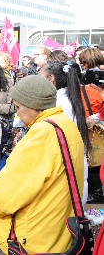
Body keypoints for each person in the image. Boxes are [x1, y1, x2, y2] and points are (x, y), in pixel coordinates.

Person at [0, 75, 84, 253]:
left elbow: (6, 195)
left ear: (32, 105)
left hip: (33, 237)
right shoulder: (65, 124)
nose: (16, 113)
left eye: (17, 107)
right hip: (56, 227)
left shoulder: (42, 134)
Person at [39, 61, 97, 204]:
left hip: (65, 175)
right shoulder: (68, 100)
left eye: (40, 78)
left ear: (51, 79)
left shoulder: (60, 106)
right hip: (73, 171)